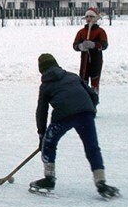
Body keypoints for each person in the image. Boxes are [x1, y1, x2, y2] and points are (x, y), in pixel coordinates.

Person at [29, 53, 119, 198]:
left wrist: (42, 135)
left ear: (42, 70)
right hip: (85, 112)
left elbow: (41, 112)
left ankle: (49, 178)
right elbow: (93, 95)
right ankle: (101, 182)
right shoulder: (73, 76)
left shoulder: (45, 86)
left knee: (49, 143)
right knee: (92, 147)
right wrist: (90, 108)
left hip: (63, 115)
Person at [72, 6, 108, 98]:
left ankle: (94, 101)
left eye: (91, 17)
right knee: (83, 81)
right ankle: (84, 101)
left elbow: (104, 45)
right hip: (84, 61)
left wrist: (94, 45)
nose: (88, 19)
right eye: (87, 17)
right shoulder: (81, 32)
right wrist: (80, 46)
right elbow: (75, 45)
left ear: (95, 18)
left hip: (96, 61)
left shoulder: (100, 31)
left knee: (95, 81)